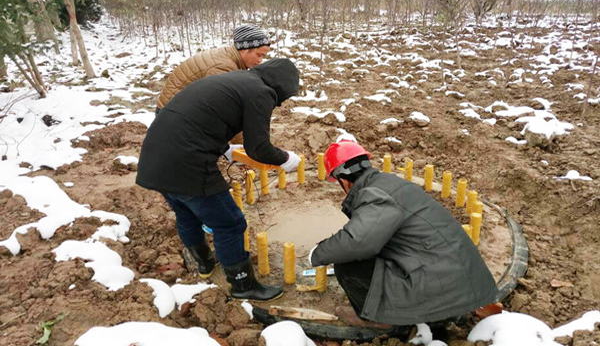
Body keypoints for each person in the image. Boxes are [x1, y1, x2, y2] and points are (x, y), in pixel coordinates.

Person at [137, 58, 302, 301]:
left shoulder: (236, 79)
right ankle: (243, 285)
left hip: (155, 157)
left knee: (186, 213)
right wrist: (285, 159)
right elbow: (258, 148)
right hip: (187, 162)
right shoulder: (261, 92)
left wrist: (224, 148)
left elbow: (203, 117)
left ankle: (205, 264)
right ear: (280, 88)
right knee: (230, 223)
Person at [308, 140, 498, 328]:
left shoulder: (373, 194)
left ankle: (375, 318)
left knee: (347, 265)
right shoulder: (388, 182)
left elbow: (358, 242)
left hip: (439, 286)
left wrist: (318, 253)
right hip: (461, 278)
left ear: (343, 180)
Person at [156, 24, 271, 116]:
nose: (260, 60)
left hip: (178, 109)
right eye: (259, 55)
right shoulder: (223, 68)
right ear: (245, 49)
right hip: (171, 114)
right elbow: (224, 111)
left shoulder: (228, 57)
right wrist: (244, 143)